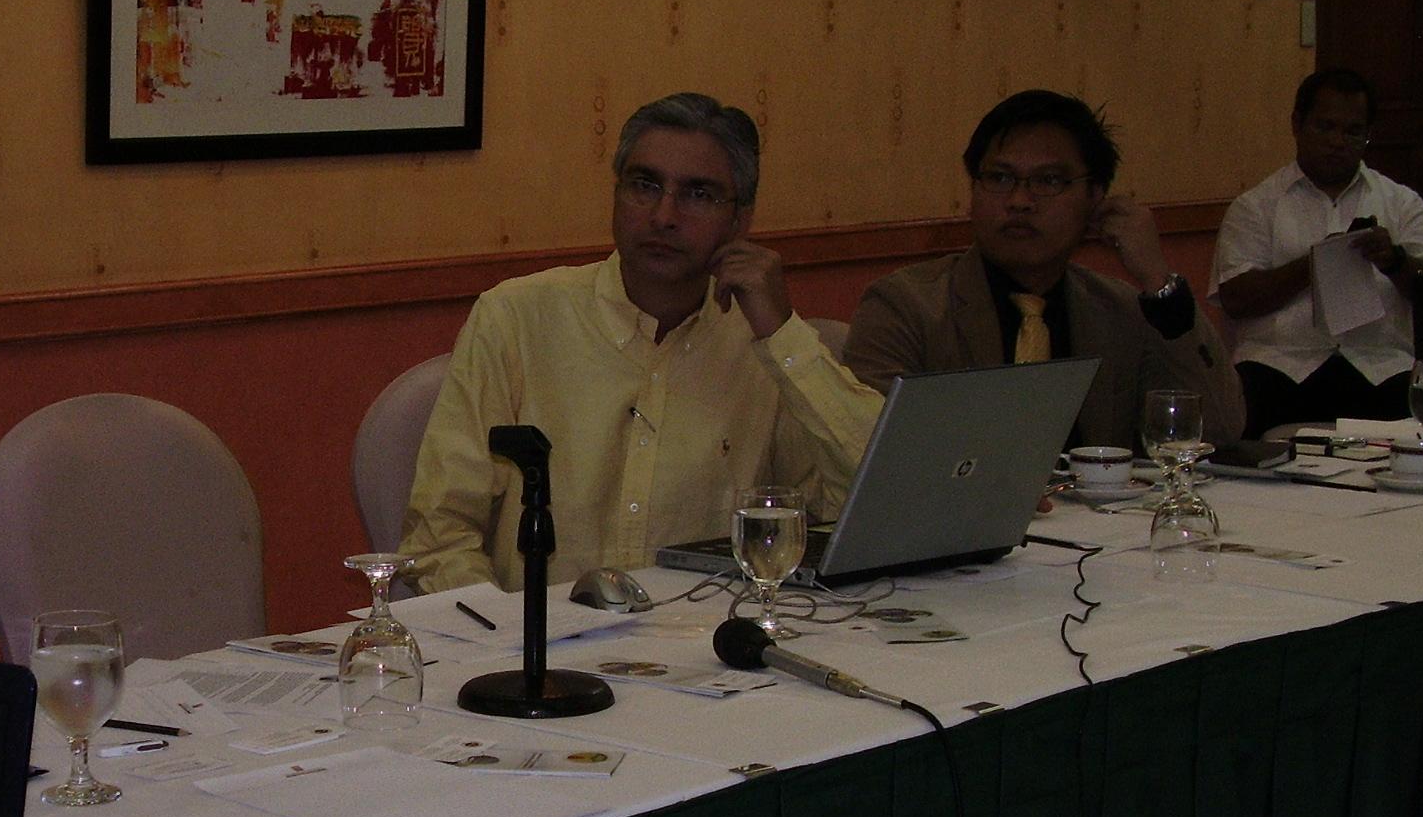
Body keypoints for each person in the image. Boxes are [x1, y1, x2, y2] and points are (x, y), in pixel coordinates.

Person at [396, 91, 881, 594]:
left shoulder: (763, 345)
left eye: (698, 194)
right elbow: (438, 539)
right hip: (543, 631)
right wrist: (510, 633)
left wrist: (783, 336)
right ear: (616, 194)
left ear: (740, 220)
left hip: (712, 631)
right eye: (645, 186)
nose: (663, 215)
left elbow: (874, 503)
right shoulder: (516, 319)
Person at [844, 89, 1244, 448]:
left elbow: (1219, 429)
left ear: (1096, 197)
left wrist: (1158, 281)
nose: (1019, 200)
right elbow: (874, 449)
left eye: (1048, 181)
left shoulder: (1120, 310)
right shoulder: (906, 307)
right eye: (1000, 178)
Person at [1209, 68, 1423, 437]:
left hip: (1379, 366)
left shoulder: (1401, 203)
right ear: (1297, 125)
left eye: (1353, 131)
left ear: (1368, 136)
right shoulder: (1256, 206)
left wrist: (1394, 261)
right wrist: (1317, 263)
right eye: (1325, 127)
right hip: (1280, 366)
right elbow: (1235, 299)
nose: (1338, 141)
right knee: (1241, 408)